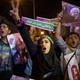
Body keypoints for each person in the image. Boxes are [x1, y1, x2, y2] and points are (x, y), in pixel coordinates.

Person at [10, 0, 63, 80]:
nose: (43, 44)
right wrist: (17, 19)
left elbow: (58, 37)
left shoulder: (56, 61)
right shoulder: (36, 55)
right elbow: (26, 37)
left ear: (51, 45)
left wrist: (59, 21)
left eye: (46, 42)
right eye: (41, 42)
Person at [55, 15, 80, 80]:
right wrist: (60, 21)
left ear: (79, 41)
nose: (73, 39)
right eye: (70, 38)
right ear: (67, 41)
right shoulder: (65, 49)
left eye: (75, 37)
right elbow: (57, 37)